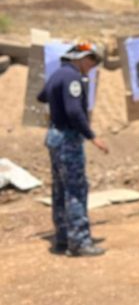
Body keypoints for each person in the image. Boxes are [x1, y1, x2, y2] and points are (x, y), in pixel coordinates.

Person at [38, 42, 109, 257]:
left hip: (55, 137)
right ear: (81, 58)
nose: (92, 66)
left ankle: (63, 238)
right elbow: (74, 112)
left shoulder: (58, 75)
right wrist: (92, 137)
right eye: (91, 62)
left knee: (60, 190)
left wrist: (56, 101)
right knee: (75, 190)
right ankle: (79, 241)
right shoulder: (72, 78)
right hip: (68, 140)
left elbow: (42, 96)